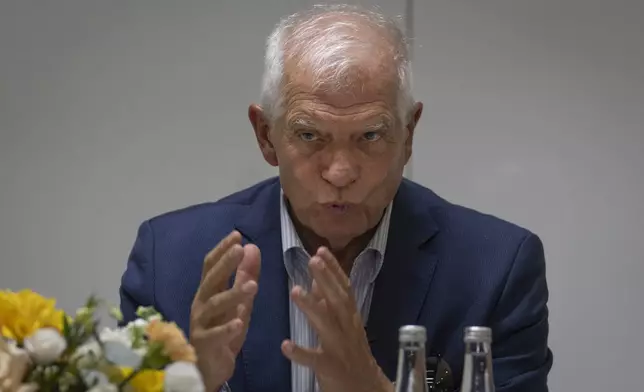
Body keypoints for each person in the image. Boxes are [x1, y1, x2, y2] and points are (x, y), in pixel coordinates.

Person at [119, 4, 553, 392]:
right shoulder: (169, 261)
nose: (340, 172)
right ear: (266, 135)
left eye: (370, 135)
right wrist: (193, 385)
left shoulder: (497, 269)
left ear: (408, 135)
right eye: (309, 135)